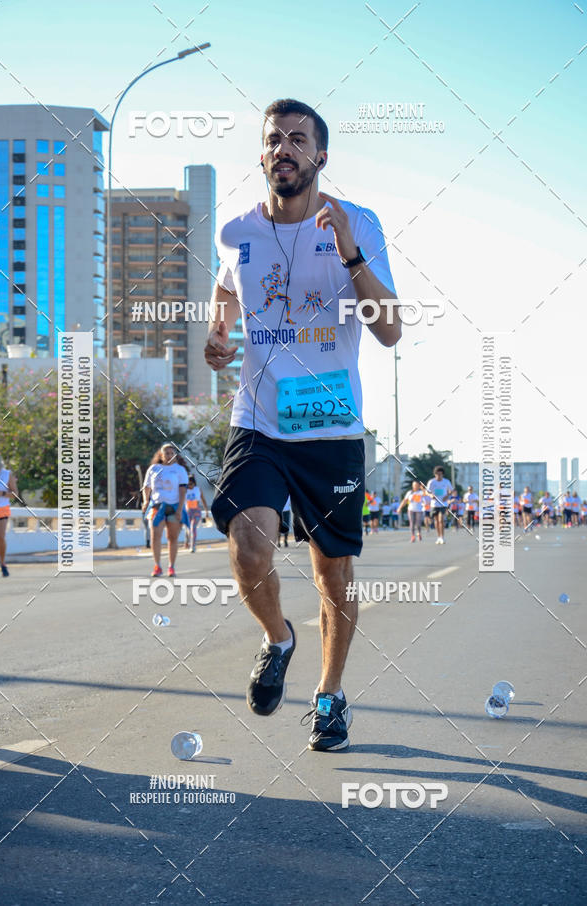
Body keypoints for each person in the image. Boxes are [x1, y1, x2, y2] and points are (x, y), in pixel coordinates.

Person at [204, 98, 400, 752]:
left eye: (298, 139)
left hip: (330, 424)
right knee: (248, 539)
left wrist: (349, 255)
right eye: (274, 140)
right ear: (262, 156)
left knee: (333, 576)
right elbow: (226, 288)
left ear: (320, 156)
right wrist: (217, 331)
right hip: (258, 420)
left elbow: (390, 329)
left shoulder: (358, 223)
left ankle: (330, 695)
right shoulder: (235, 231)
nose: (284, 148)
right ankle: (277, 638)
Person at [142, 444, 188, 577]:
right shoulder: (154, 468)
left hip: (173, 507)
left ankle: (171, 566)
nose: (169, 455)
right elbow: (146, 486)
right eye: (166, 453)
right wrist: (146, 501)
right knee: (155, 536)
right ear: (161, 455)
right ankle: (157, 566)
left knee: (172, 538)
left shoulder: (179, 470)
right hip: (157, 506)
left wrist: (180, 509)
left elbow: (182, 491)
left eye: (171, 453)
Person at [182, 474, 209, 553]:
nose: (189, 485)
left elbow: (203, 500)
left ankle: (193, 546)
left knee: (192, 528)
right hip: (188, 512)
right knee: (188, 529)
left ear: (194, 483)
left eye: (191, 484)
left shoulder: (198, 489)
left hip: (196, 511)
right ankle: (186, 541)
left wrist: (206, 511)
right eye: (188, 484)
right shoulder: (185, 490)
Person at [426, 466, 453, 544]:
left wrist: (447, 496)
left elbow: (451, 490)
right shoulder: (431, 482)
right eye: (437, 474)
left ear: (443, 474)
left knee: (441, 520)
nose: (439, 476)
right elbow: (427, 491)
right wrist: (431, 496)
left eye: (440, 474)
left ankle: (442, 537)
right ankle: (438, 537)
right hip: (434, 504)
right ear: (435, 474)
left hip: (443, 504)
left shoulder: (446, 481)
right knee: (436, 521)